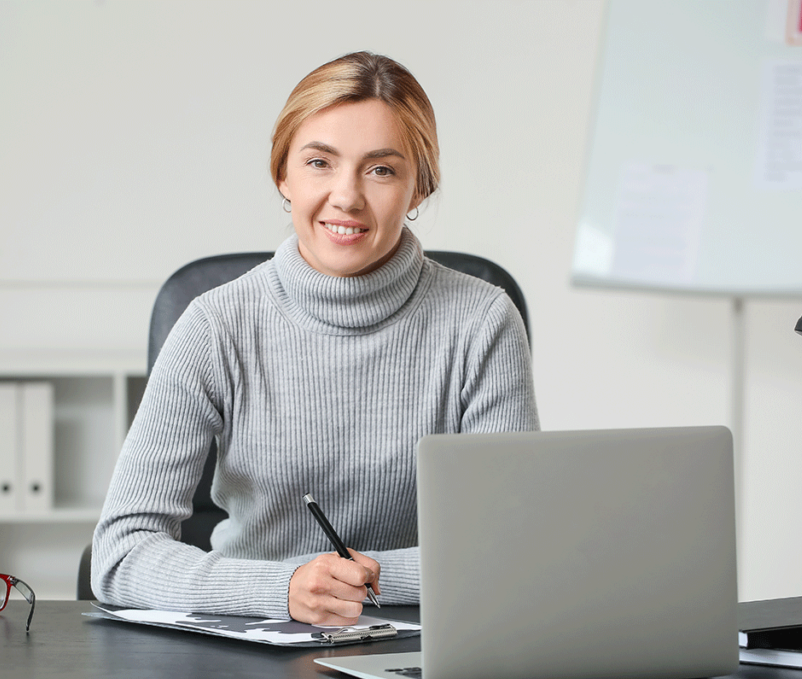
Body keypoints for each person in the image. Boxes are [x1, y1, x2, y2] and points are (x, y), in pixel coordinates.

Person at [92, 51, 539, 626]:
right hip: (251, 636)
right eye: (319, 162)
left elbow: (514, 547)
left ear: (420, 188)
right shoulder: (215, 325)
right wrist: (282, 588)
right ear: (283, 174)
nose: (347, 196)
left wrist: (355, 580)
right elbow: (121, 555)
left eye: (381, 169)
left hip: (428, 641)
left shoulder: (482, 321)